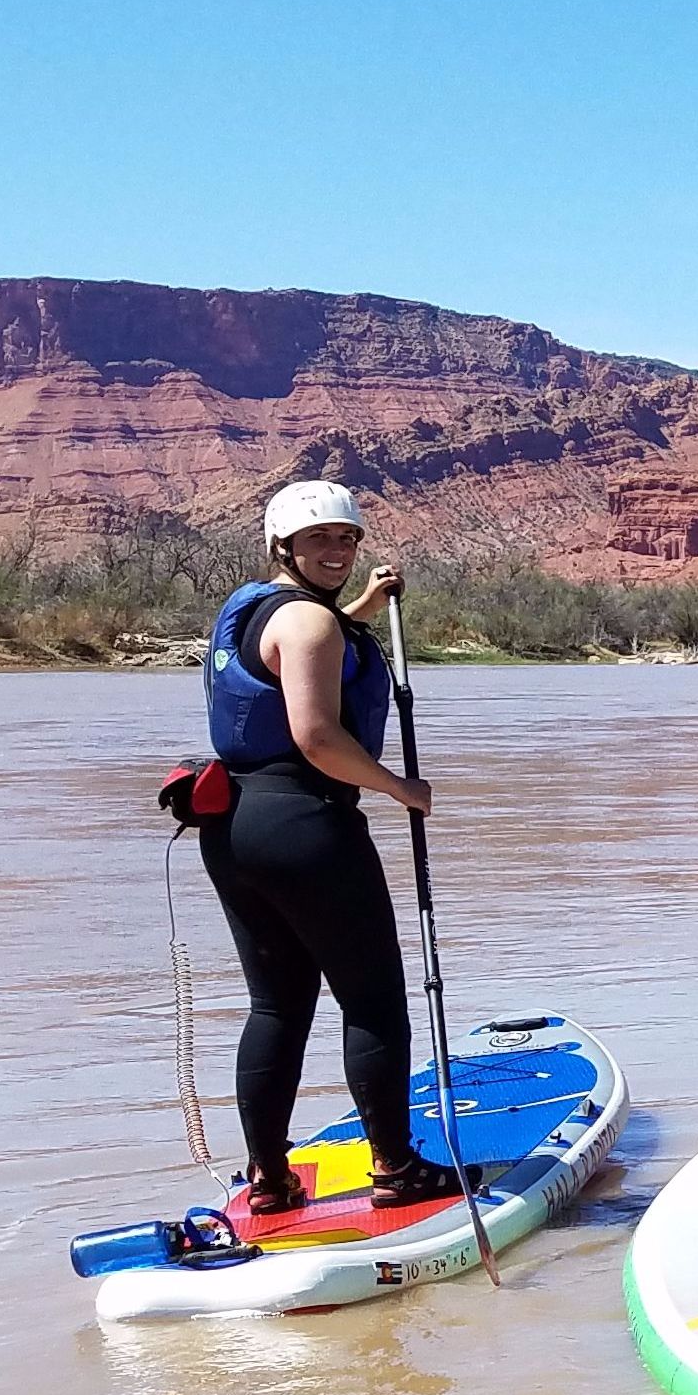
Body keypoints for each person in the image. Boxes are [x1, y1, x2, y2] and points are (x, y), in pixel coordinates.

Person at [200, 481, 463, 1217]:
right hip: (307, 825)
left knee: (277, 1006)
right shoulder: (311, 626)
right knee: (373, 1000)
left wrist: (363, 612)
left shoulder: (255, 608)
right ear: (283, 545)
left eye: (346, 538)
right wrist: (397, 788)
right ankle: (397, 1168)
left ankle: (269, 1179)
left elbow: (303, 648)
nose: (338, 550)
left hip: (235, 826)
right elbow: (317, 736)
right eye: (320, 540)